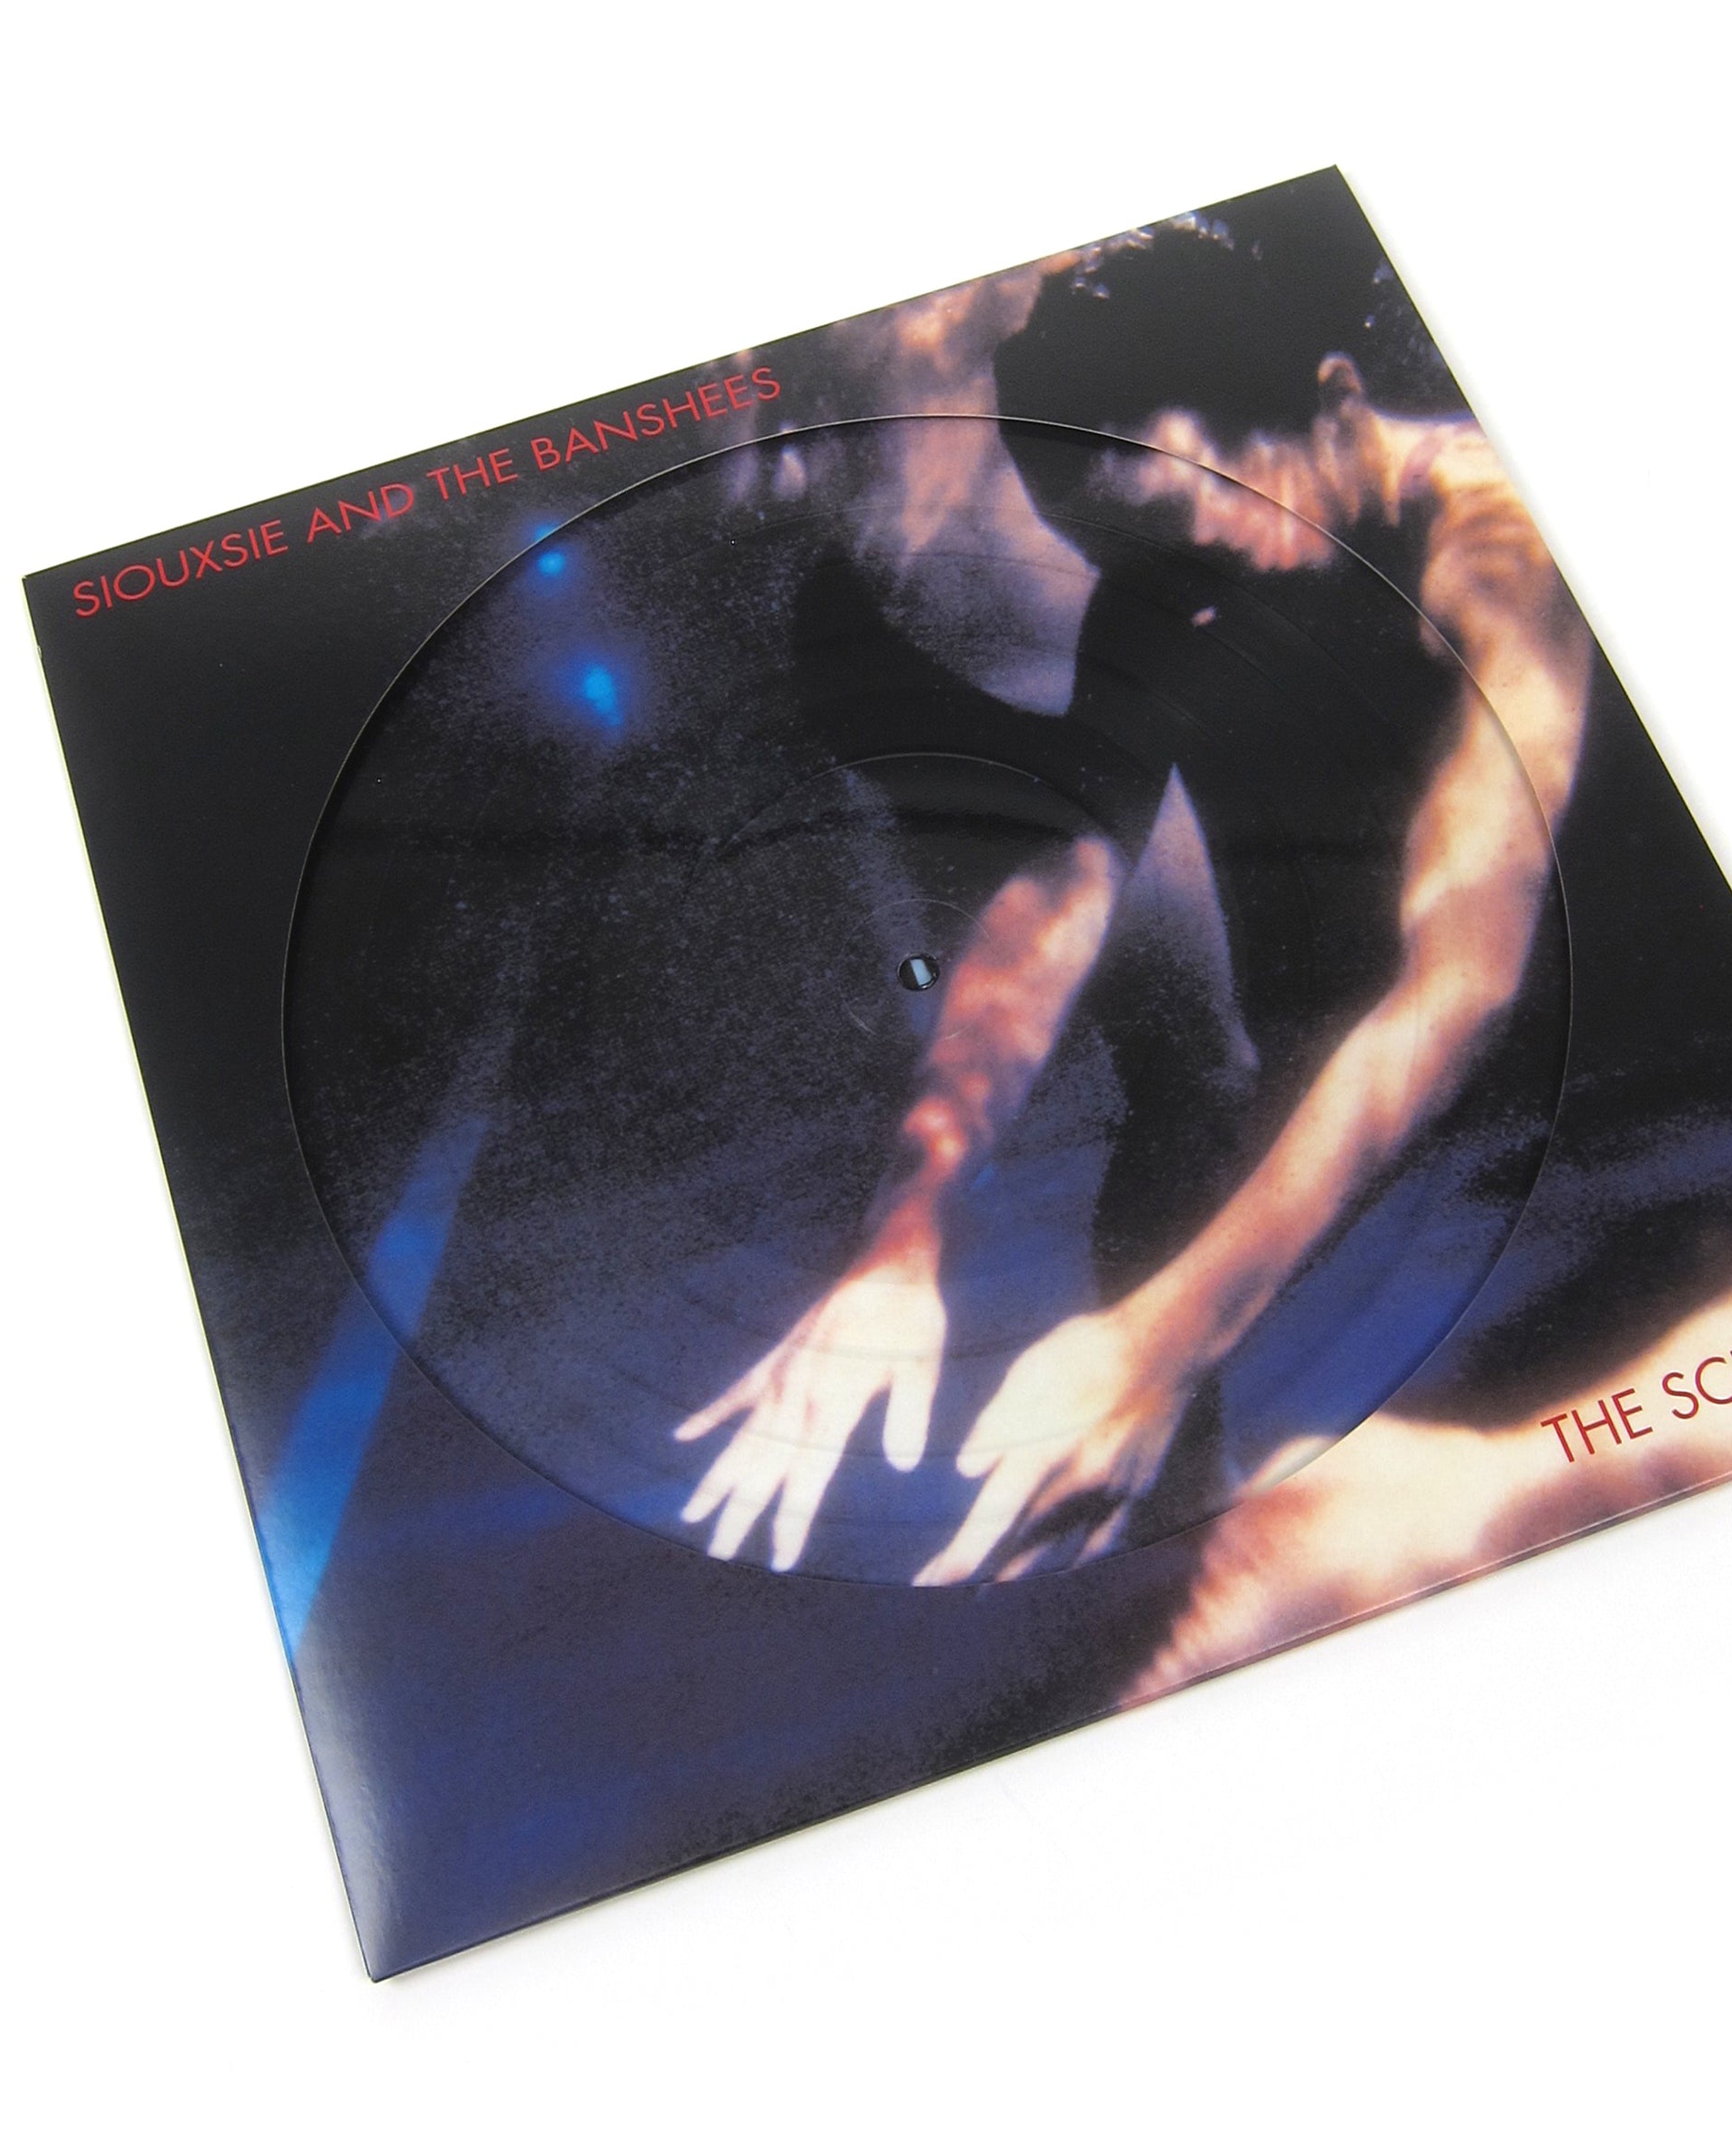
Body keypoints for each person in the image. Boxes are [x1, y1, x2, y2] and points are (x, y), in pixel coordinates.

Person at [678, 331, 1596, 1581]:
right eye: (1155, 495)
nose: (1195, 524)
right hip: (1319, 798)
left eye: (1208, 486)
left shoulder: (1494, 526)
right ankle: (1168, 1482)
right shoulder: (1167, 565)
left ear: (1334, 397)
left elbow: (1462, 982)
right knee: (1198, 1078)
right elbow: (1066, 882)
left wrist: (1170, 1334)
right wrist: (909, 1223)